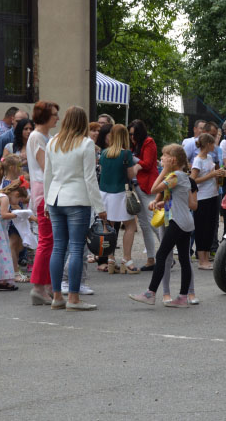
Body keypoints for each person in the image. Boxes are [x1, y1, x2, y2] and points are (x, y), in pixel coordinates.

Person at [43, 106, 105, 311]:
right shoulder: (86, 144)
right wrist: (100, 206)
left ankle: (57, 297)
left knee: (58, 248)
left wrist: (47, 201)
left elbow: (48, 175)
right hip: (78, 199)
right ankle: (73, 298)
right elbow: (90, 178)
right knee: (77, 248)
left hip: (55, 199)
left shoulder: (52, 142)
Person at [129, 144, 197, 308]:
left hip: (178, 222)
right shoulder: (183, 176)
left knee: (161, 255)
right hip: (185, 221)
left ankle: (150, 293)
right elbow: (184, 201)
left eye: (164, 156)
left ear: (173, 160)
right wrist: (162, 203)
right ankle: (183, 297)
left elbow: (153, 188)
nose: (161, 158)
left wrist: (165, 170)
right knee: (184, 259)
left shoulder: (175, 176)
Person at [27, 101, 59, 306]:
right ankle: (38, 287)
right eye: (54, 114)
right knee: (47, 241)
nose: (57, 118)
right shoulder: (37, 137)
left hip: (47, 191)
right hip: (44, 193)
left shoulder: (45, 136)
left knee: (50, 241)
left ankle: (47, 285)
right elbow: (46, 167)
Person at [0, 179, 33, 291]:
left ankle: (0, 279)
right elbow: (3, 214)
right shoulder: (5, 198)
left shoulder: (1, 195)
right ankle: (2, 281)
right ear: (16, 194)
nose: (18, 202)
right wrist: (17, 215)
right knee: (1, 252)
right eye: (19, 200)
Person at [98, 124, 138, 273]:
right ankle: (127, 259)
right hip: (120, 193)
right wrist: (137, 168)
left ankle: (110, 258)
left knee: (108, 226)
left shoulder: (103, 153)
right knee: (130, 226)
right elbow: (130, 175)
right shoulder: (126, 154)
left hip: (104, 193)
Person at [191, 133, 226, 270]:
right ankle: (202, 259)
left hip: (213, 195)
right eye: (212, 144)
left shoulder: (210, 157)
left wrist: (219, 175)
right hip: (202, 197)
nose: (214, 147)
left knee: (210, 228)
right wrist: (211, 175)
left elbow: (213, 175)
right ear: (207, 144)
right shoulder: (198, 160)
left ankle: (206, 257)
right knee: (202, 228)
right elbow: (193, 180)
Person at [129, 119, 160, 270]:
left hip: (147, 186)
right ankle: (151, 258)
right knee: (144, 225)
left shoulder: (149, 142)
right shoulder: (135, 145)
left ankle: (166, 255)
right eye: (130, 134)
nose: (132, 137)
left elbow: (147, 164)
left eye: (134, 134)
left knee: (154, 222)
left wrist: (131, 157)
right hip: (137, 186)